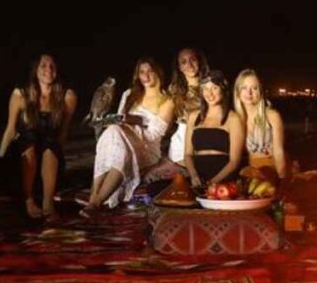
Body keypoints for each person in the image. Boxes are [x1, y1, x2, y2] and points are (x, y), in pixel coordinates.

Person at [85, 57, 175, 212]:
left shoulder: (167, 101)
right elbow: (120, 121)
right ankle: (95, 199)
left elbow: (154, 134)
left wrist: (135, 121)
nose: (146, 76)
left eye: (150, 71)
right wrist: (111, 121)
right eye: (142, 72)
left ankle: (95, 200)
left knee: (116, 137)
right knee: (113, 133)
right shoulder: (129, 94)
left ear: (158, 72)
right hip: (121, 139)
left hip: (147, 147)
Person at [0, 54, 78, 220]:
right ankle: (28, 200)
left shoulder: (67, 96)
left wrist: (58, 157)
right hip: (24, 153)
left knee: (51, 143)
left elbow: (63, 134)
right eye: (43, 66)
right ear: (35, 70)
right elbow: (10, 130)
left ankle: (48, 203)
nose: (48, 69)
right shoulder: (21, 94)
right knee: (29, 140)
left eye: (52, 66)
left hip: (49, 156)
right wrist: (0, 158)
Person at [185, 70, 245, 186]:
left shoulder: (233, 119)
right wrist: (193, 175)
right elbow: (187, 154)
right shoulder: (194, 117)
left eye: (214, 88)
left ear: (223, 89)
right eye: (205, 89)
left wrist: (213, 183)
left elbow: (234, 161)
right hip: (197, 176)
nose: (209, 93)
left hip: (222, 175)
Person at [233, 68, 288, 180]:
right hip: (253, 172)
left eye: (254, 88)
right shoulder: (236, 119)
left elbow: (279, 151)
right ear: (238, 92)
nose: (249, 93)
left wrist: (282, 179)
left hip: (274, 169)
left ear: (260, 92)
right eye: (244, 88)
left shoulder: (272, 115)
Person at [166, 47, 209, 165]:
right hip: (182, 140)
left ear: (199, 61)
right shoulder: (174, 89)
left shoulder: (210, 85)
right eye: (184, 62)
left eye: (193, 59)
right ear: (179, 67)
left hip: (207, 136)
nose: (189, 64)